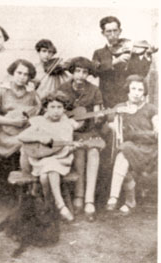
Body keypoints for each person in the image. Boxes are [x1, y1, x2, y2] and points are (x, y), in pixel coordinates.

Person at [18, 92, 82, 222]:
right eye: (52, 107)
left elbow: (64, 147)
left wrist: (71, 147)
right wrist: (40, 138)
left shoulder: (67, 124)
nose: (56, 111)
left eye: (59, 107)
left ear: (64, 109)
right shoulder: (39, 121)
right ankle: (59, 205)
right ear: (46, 108)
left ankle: (52, 204)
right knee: (47, 169)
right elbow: (21, 137)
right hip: (40, 159)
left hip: (61, 160)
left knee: (47, 171)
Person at [59, 57, 105, 222]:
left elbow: (99, 113)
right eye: (77, 71)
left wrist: (99, 116)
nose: (80, 75)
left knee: (93, 152)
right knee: (79, 153)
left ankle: (89, 200)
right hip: (70, 133)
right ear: (72, 71)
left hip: (90, 131)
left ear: (88, 74)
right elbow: (57, 112)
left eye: (84, 72)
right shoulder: (63, 88)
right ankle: (78, 196)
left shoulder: (94, 90)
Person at [0, 59, 41, 191]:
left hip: (26, 132)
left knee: (33, 142)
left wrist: (36, 94)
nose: (22, 77)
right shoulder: (2, 90)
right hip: (7, 134)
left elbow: (38, 112)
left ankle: (31, 187)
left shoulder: (31, 92)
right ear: (12, 73)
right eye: (19, 73)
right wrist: (13, 122)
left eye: (26, 75)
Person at [105, 75, 158, 215]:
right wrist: (116, 124)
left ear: (144, 92)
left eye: (140, 90)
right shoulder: (120, 107)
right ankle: (119, 198)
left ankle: (118, 199)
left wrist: (157, 128)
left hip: (150, 150)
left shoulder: (150, 108)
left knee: (124, 151)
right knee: (123, 150)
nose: (136, 92)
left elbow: (157, 126)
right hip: (129, 147)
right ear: (127, 90)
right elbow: (111, 124)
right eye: (133, 88)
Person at [92, 16, 152, 108]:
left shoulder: (129, 50)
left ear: (120, 31)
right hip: (107, 99)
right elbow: (95, 71)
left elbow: (140, 74)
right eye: (109, 31)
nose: (113, 34)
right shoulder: (98, 53)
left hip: (127, 99)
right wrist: (115, 61)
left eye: (115, 30)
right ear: (103, 33)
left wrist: (147, 56)